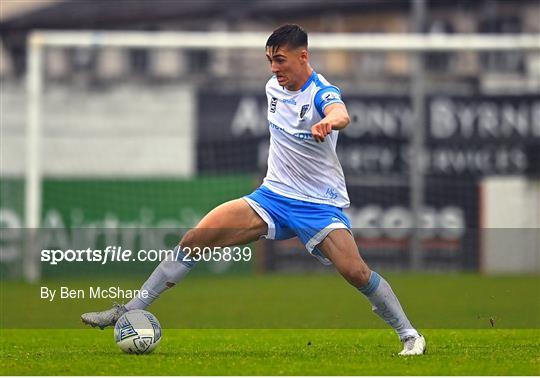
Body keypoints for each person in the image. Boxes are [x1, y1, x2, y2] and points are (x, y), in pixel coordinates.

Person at [82, 24, 426, 356]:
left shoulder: (321, 92)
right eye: (270, 61)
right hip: (271, 197)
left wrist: (330, 121)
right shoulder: (273, 88)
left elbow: (341, 112)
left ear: (303, 57)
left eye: (280, 60)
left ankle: (410, 335)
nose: (274, 68)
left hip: (317, 205)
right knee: (194, 239)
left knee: (356, 272)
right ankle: (127, 310)